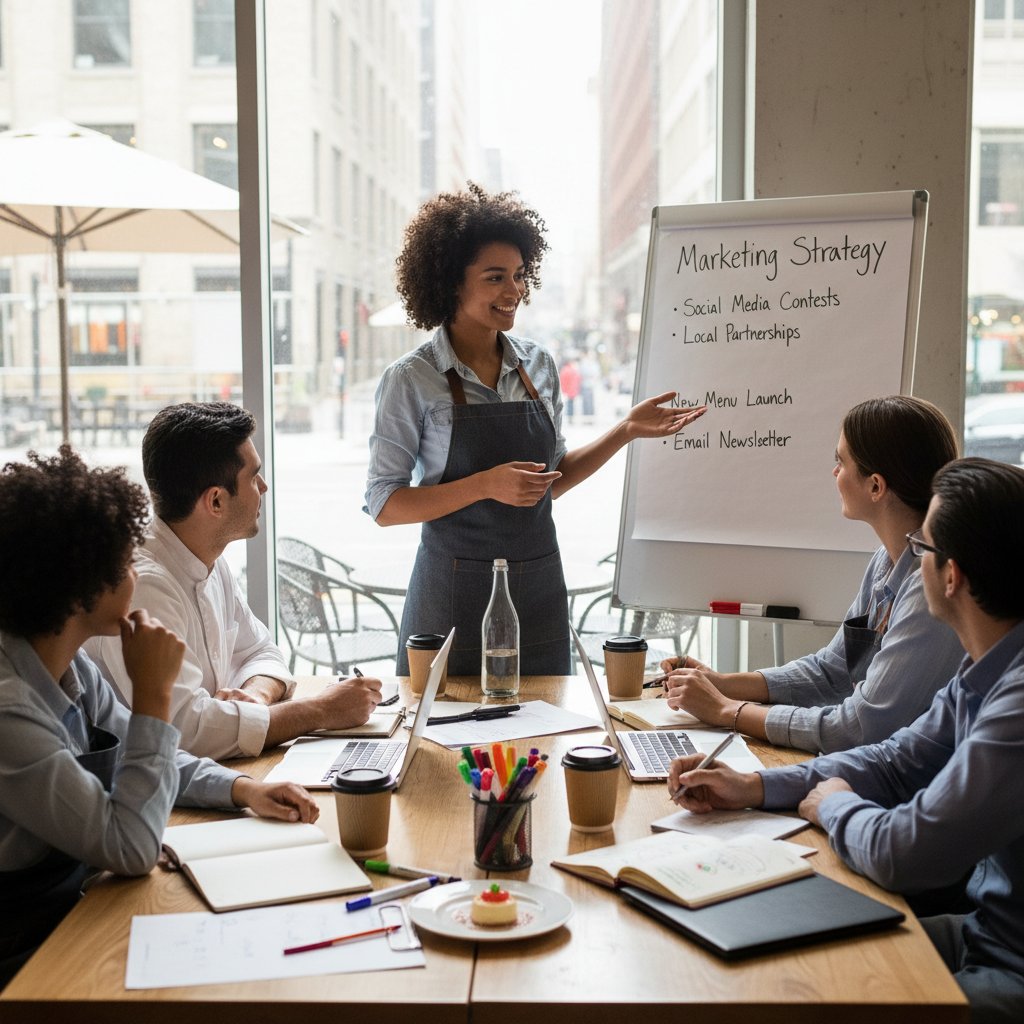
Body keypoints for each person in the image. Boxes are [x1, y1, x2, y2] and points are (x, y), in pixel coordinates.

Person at [668, 458, 1024, 1023]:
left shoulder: (1016, 703)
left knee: (809, 998)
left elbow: (905, 852)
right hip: (983, 934)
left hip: (1009, 971)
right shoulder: (986, 669)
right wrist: (754, 786)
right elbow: (894, 759)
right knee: (777, 962)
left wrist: (834, 805)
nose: (912, 562)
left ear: (950, 576)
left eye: (922, 549)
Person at [0, 448, 320, 986]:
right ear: (81, 586)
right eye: (125, 562)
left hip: (77, 908)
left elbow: (148, 753)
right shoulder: (10, 714)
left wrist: (243, 789)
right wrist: (153, 695)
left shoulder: (70, 664)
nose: (136, 570)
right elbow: (129, 847)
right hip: (26, 948)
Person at [364, 183, 706, 675]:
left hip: (538, 586)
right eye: (495, 277)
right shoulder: (410, 379)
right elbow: (385, 504)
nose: (515, 290)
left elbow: (551, 482)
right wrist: (485, 485)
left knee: (544, 740)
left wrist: (626, 429)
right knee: (446, 744)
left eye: (520, 275)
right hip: (452, 595)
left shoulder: (538, 365)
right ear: (450, 282)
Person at [661, 395, 964, 753]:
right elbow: (831, 671)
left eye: (841, 461)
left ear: (876, 486)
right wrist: (721, 683)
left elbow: (856, 728)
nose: (835, 472)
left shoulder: (927, 587)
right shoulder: (887, 560)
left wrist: (727, 710)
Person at [88, 403, 381, 760]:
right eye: (253, 477)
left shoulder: (208, 557)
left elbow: (261, 651)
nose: (264, 487)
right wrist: (320, 710)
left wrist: (255, 697)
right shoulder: (144, 587)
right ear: (215, 501)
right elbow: (185, 732)